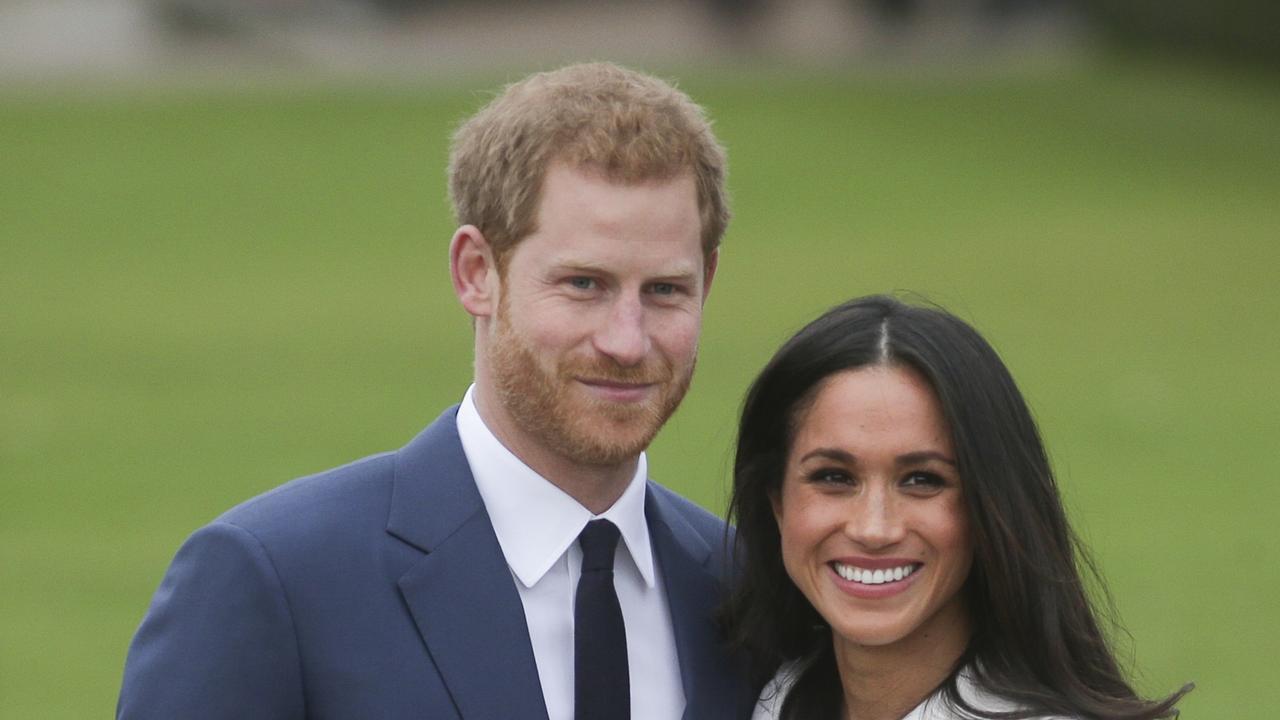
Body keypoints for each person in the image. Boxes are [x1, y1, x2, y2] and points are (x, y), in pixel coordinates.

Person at [118, 62, 754, 720]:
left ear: (706, 281)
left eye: (665, 291)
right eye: (584, 285)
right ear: (477, 273)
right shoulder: (277, 581)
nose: (627, 341)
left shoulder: (750, 591)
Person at [722, 295, 1192, 720]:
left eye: (923, 480)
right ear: (777, 502)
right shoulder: (762, 697)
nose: (874, 527)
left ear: (990, 509)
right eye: (834, 477)